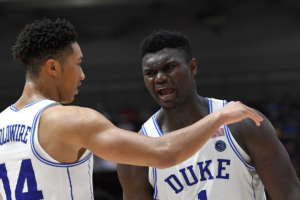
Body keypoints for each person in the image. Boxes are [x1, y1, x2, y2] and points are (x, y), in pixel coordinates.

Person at [0, 18, 262, 200]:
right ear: (53, 68)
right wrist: (220, 116)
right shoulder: (70, 120)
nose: (81, 75)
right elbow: (164, 153)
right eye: (77, 64)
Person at [117, 30, 300, 200]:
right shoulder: (138, 149)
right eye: (150, 73)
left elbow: (289, 194)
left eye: (169, 67)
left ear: (193, 67)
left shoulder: (242, 123)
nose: (159, 78)